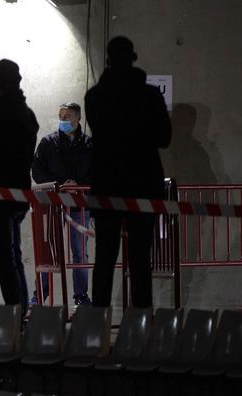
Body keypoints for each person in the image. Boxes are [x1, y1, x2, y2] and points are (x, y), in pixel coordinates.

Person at [85, 37, 172, 308]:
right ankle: (141, 322)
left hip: (107, 185)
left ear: (108, 60)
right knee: (140, 261)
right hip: (142, 185)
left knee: (104, 260)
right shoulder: (149, 96)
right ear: (133, 58)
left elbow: (102, 135)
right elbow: (164, 138)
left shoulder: (94, 97)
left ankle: (97, 322)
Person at [0, 59, 39, 313]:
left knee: (4, 262)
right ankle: (20, 312)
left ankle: (15, 313)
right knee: (14, 260)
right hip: (17, 196)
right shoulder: (25, 114)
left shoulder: (4, 116)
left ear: (2, 87)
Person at [31, 102, 93, 306]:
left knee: (79, 253)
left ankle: (81, 297)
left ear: (78, 119)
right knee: (48, 252)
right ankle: (40, 296)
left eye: (66, 117)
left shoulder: (89, 145)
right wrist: (59, 186)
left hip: (79, 206)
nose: (62, 121)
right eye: (60, 117)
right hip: (54, 206)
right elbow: (37, 171)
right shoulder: (48, 143)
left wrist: (79, 185)